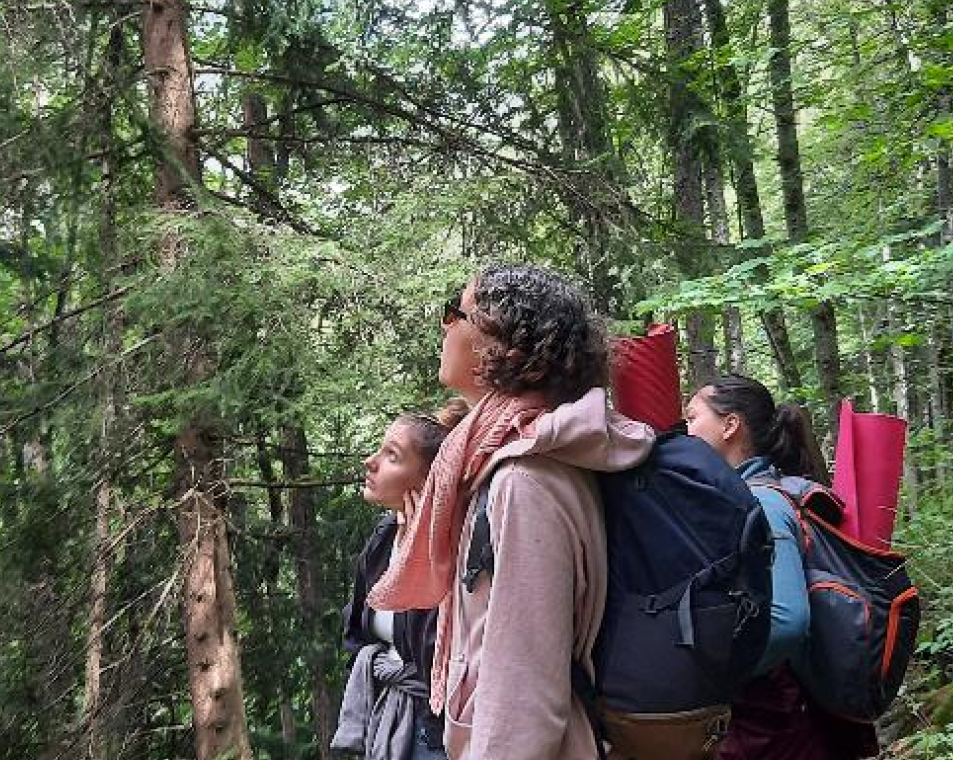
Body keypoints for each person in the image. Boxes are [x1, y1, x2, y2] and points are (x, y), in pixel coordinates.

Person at [368, 264, 656, 760]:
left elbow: (526, 696)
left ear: (502, 351)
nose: (445, 325)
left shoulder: (524, 482)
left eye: (455, 313)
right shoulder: (495, 461)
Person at [683, 374, 879, 760]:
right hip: (793, 714)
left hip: (779, 717)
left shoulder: (763, 503)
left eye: (692, 418)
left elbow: (787, 622)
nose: (685, 431)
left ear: (730, 425)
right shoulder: (768, 492)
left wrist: (716, 678)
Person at [334, 401, 468, 760]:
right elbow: (355, 633)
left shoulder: (454, 549)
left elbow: (432, 658)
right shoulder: (382, 539)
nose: (370, 462)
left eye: (391, 456)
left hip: (433, 732)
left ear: (428, 480)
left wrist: (421, 557)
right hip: (385, 716)